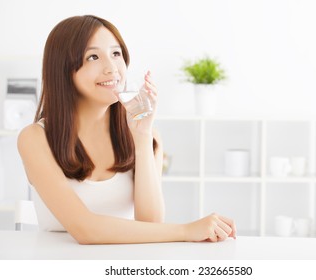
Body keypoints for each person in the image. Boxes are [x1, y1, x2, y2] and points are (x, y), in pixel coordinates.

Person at [17, 15, 236, 244]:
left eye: (116, 53)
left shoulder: (148, 136)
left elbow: (150, 225)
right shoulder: (35, 138)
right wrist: (186, 231)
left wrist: (142, 138)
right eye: (93, 56)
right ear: (63, 70)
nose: (112, 68)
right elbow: (85, 230)